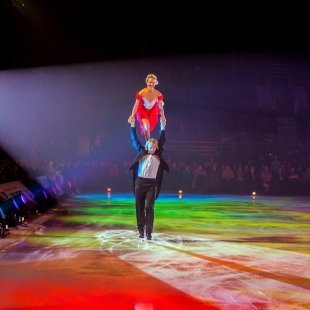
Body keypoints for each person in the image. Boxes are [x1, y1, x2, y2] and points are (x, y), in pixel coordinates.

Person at [128, 117, 169, 240]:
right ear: (147, 146)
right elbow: (134, 139)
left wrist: (163, 126)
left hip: (152, 185)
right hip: (140, 183)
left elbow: (162, 139)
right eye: (150, 146)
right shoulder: (142, 152)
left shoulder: (158, 155)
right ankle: (141, 229)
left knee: (149, 207)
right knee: (139, 206)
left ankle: (149, 231)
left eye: (154, 146)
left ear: (156, 148)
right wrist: (133, 125)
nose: (152, 148)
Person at [128, 73, 166, 141]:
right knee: (146, 126)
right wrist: (132, 115)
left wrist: (163, 116)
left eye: (153, 82)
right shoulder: (141, 92)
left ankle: (148, 144)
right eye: (150, 82)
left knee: (148, 127)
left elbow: (161, 107)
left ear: (155, 83)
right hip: (142, 111)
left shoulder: (158, 94)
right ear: (147, 82)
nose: (151, 84)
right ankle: (148, 143)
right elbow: (136, 105)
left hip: (152, 111)